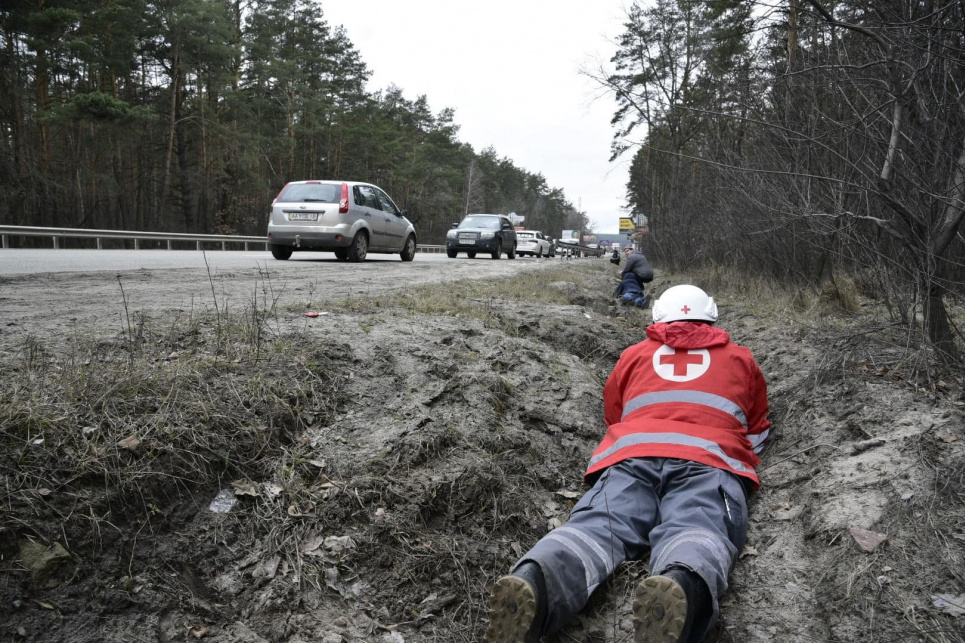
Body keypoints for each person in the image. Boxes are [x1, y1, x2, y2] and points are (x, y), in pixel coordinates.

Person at [483, 285, 771, 643]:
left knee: (597, 525)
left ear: (658, 316)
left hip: (632, 456)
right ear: (712, 316)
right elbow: (756, 430)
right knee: (699, 524)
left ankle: (537, 580)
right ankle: (681, 584)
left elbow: (613, 415)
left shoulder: (634, 355)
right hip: (708, 460)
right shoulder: (741, 359)